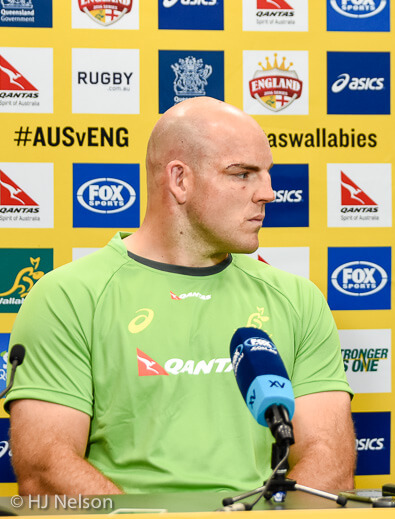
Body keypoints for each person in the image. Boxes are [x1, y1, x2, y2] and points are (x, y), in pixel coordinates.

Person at [6, 97, 356, 494]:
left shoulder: (297, 299)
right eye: (242, 174)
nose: (268, 193)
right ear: (179, 180)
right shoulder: (68, 296)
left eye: (267, 174)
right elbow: (45, 470)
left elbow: (330, 462)